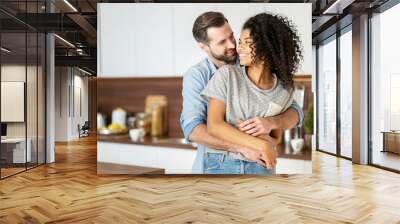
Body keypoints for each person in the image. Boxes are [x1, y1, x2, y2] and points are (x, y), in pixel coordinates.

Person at [180, 11, 303, 174]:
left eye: (231, 36)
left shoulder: (251, 62)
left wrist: (271, 124)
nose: (233, 46)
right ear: (204, 47)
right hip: (219, 163)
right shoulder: (198, 76)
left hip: (260, 164)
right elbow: (194, 129)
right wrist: (247, 146)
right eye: (222, 42)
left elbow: (293, 112)